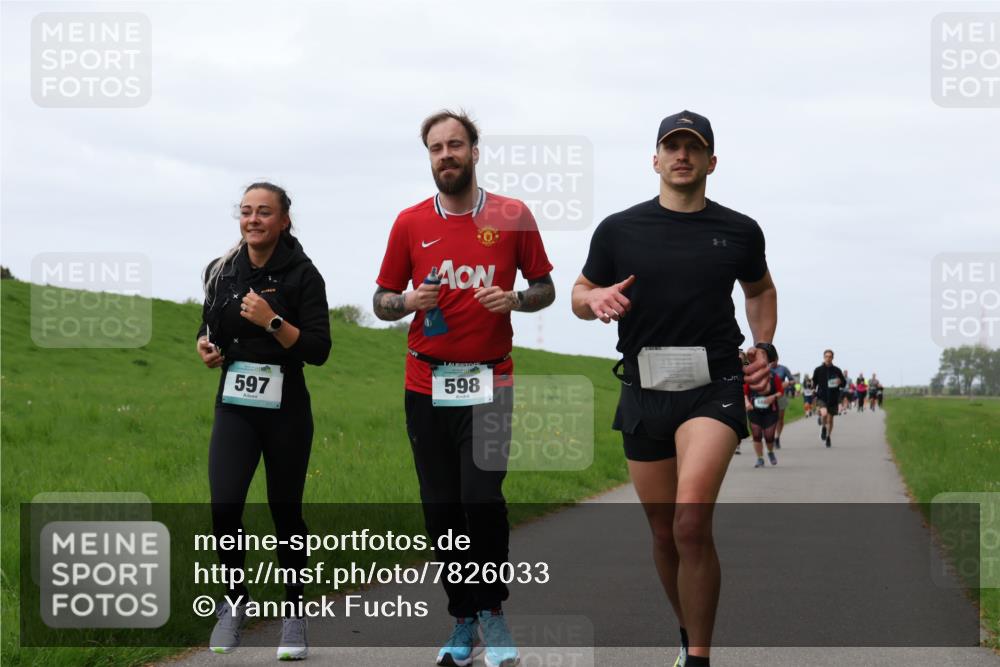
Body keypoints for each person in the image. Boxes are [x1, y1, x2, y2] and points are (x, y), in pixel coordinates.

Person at [571, 110, 777, 667]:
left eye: (694, 147)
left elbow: (759, 290)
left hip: (715, 383)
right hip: (644, 386)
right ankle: (688, 635)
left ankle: (700, 659)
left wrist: (764, 347)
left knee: (690, 520)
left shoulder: (739, 230)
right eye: (672, 146)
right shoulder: (618, 229)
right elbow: (580, 292)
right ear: (655, 160)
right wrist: (594, 300)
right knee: (664, 532)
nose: (682, 155)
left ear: (711, 161)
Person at [373, 109, 555, 667]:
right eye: (435, 148)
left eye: (455, 144)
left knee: (482, 499)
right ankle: (462, 619)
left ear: (475, 151)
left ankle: (492, 612)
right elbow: (381, 301)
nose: (446, 155)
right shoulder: (409, 223)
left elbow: (544, 287)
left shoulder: (512, 215)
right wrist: (407, 302)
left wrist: (517, 300)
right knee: (440, 509)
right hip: (425, 384)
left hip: (490, 381)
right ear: (429, 157)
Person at [197, 182, 331, 660]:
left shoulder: (302, 274)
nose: (253, 219)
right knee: (224, 505)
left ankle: (294, 614)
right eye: (246, 211)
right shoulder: (222, 270)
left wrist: (273, 321)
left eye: (264, 212)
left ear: (284, 220)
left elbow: (319, 350)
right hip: (234, 404)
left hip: (286, 408)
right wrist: (207, 347)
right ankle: (234, 603)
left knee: (285, 511)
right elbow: (209, 323)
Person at [744, 353, 783, 468]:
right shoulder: (750, 375)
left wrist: (773, 397)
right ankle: (760, 458)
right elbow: (744, 393)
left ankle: (770, 452)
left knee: (769, 436)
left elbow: (781, 391)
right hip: (754, 409)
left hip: (771, 410)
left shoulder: (773, 376)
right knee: (756, 435)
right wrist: (747, 403)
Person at [812, 350, 846, 448]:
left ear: (832, 358)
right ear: (824, 357)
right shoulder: (818, 370)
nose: (828, 358)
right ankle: (823, 427)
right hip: (821, 396)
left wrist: (840, 382)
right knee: (824, 414)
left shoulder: (837, 370)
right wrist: (813, 391)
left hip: (833, 397)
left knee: (830, 420)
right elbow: (814, 382)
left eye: (830, 356)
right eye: (826, 356)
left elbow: (843, 383)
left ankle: (828, 437)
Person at [771, 357, 794, 448]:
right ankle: (770, 437)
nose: (772, 362)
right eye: (770, 360)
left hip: (781, 395)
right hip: (769, 396)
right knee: (770, 418)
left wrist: (787, 383)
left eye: (774, 360)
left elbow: (792, 380)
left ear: (777, 359)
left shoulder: (783, 369)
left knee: (780, 418)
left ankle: (777, 437)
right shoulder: (766, 368)